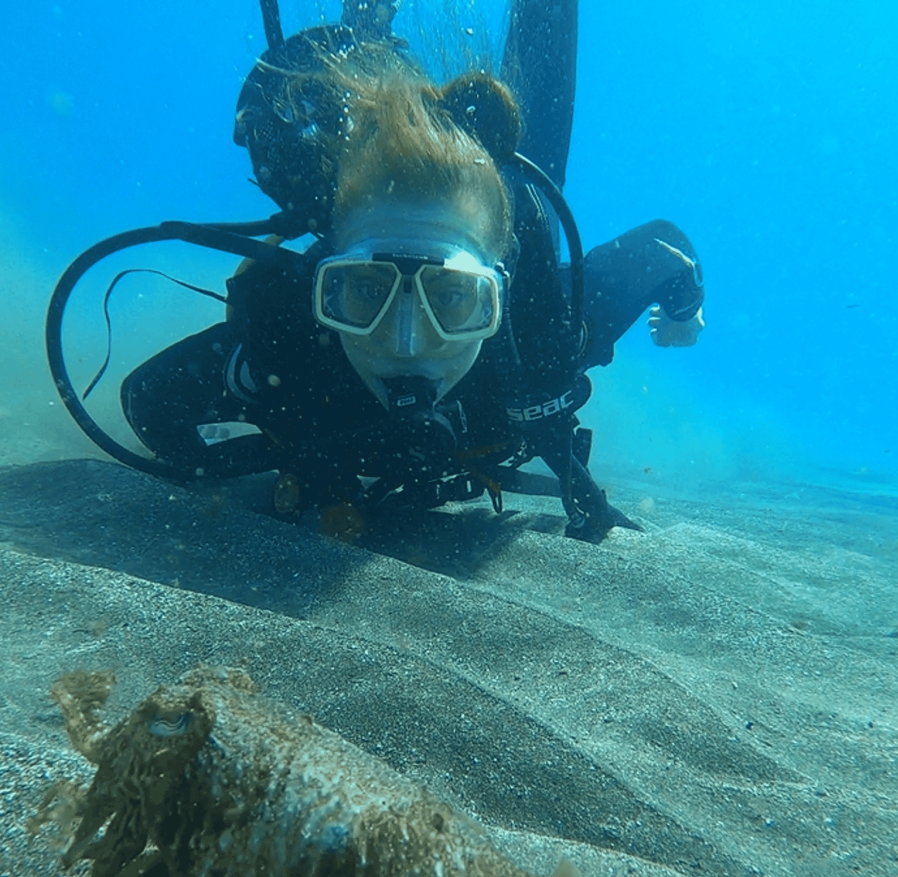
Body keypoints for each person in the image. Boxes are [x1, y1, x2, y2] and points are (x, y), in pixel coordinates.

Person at [116, 0, 705, 544]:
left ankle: (370, 35)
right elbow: (150, 403)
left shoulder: (539, 333)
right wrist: (292, 453)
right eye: (366, 291)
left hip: (509, 211)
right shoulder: (291, 351)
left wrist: (685, 308)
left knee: (533, 173)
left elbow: (666, 250)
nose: (405, 343)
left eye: (452, 298)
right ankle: (368, 40)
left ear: (497, 294)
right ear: (327, 277)